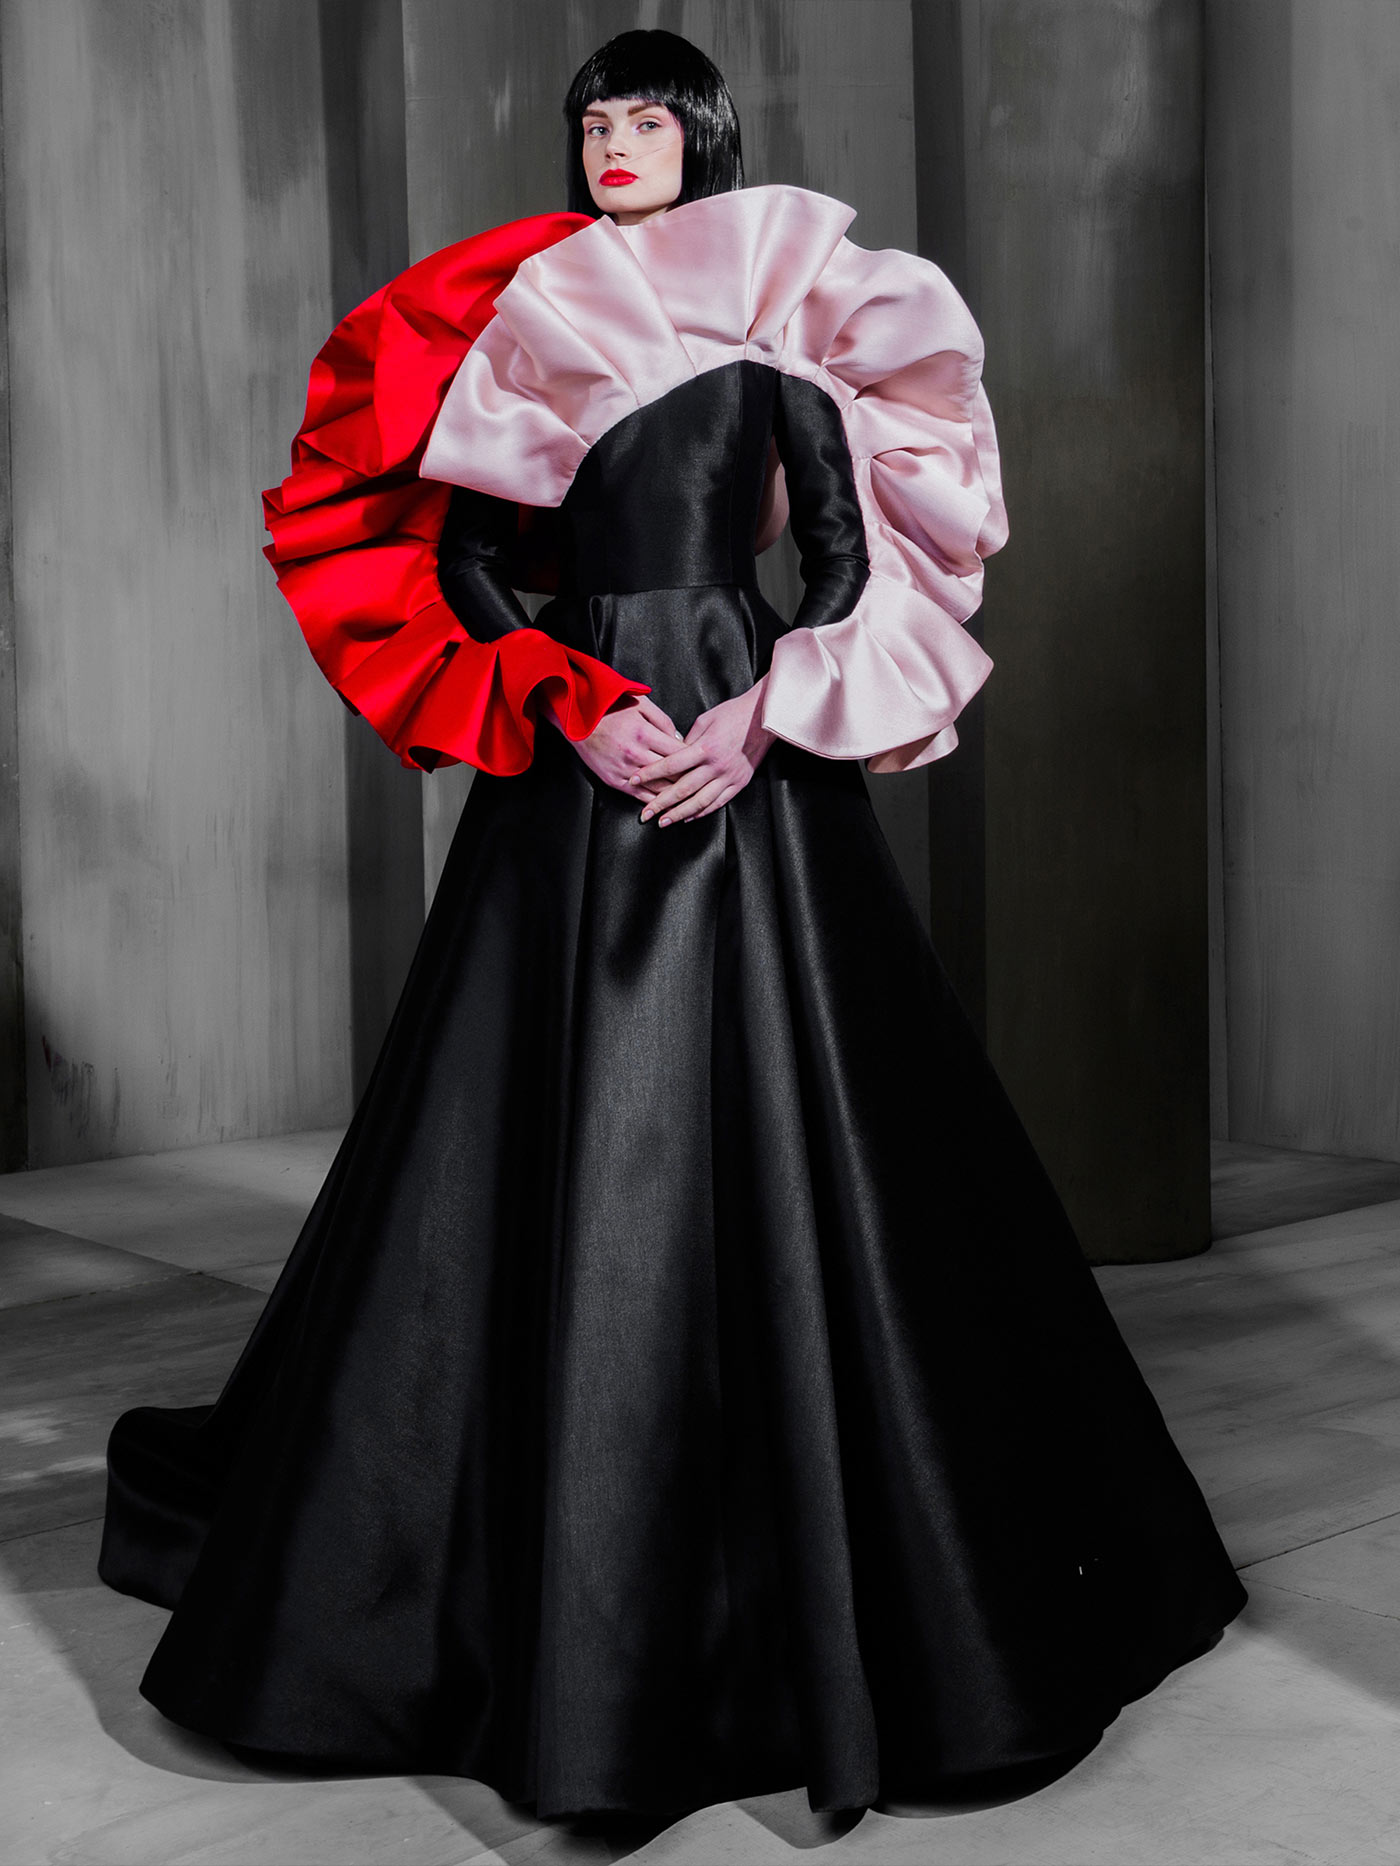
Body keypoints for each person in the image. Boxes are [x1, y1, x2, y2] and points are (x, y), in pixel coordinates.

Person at [99, 28, 1245, 1822]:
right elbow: (472, 567)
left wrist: (768, 713)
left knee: (824, 1127)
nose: (615, 141)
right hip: (582, 755)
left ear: (704, 138)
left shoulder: (778, 334)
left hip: (738, 742)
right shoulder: (536, 325)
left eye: (647, 118)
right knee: (523, 1130)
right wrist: (563, 701)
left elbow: (845, 569)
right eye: (594, 120)